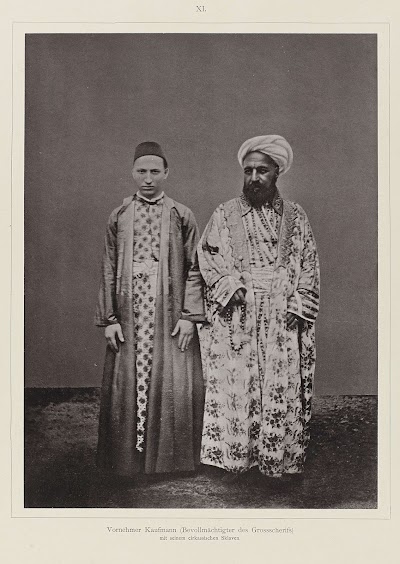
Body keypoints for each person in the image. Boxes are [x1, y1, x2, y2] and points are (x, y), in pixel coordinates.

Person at [197, 135, 320, 480]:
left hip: (282, 315)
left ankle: (276, 458)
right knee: (238, 385)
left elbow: (309, 262)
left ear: (277, 172)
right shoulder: (224, 213)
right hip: (239, 314)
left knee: (280, 384)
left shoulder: (296, 216)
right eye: (248, 170)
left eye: (262, 170)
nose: (254, 177)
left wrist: (298, 303)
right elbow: (207, 255)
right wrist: (228, 284)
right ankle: (237, 460)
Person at [95, 141, 205, 477]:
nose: (147, 178)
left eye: (155, 171)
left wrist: (189, 316)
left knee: (173, 380)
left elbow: (195, 267)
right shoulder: (119, 216)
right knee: (128, 379)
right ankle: (127, 461)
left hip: (168, 311)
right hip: (130, 311)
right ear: (132, 172)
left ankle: (171, 462)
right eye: (141, 171)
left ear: (166, 173)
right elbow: (109, 266)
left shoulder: (181, 215)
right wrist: (110, 319)